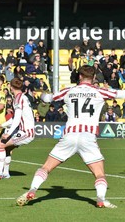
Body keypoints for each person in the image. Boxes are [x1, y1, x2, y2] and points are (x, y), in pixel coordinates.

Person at [16, 65, 124, 208]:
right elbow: (120, 94)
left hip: (69, 135)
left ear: (79, 76)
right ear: (93, 78)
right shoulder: (99, 91)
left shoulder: (69, 91)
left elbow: (48, 98)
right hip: (88, 136)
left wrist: (40, 94)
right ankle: (100, 198)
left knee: (46, 167)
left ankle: (32, 189)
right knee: (99, 174)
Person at [0, 78, 35, 180]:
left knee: (0, 144)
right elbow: (15, 118)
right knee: (7, 147)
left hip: (26, 132)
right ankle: (5, 173)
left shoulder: (19, 98)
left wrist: (9, 133)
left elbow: (17, 118)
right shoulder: (20, 97)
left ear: (11, 87)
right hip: (24, 131)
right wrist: (3, 125)